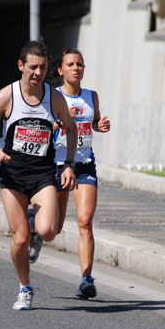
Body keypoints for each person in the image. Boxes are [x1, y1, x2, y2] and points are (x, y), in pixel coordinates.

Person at [0, 41, 78, 311]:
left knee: (48, 232)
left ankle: (35, 224)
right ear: (21, 66)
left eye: (42, 67)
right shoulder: (7, 96)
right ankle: (25, 288)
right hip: (12, 175)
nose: (37, 72)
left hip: (42, 174)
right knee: (19, 239)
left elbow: (71, 128)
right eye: (32, 67)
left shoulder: (54, 97)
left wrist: (68, 164)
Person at [51, 48, 111, 299]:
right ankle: (34, 232)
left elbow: (94, 121)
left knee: (85, 222)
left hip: (83, 163)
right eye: (71, 64)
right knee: (54, 228)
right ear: (60, 70)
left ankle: (87, 279)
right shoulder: (53, 96)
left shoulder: (91, 96)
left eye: (80, 65)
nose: (76, 68)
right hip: (55, 163)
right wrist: (62, 120)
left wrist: (100, 125)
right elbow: (43, 127)